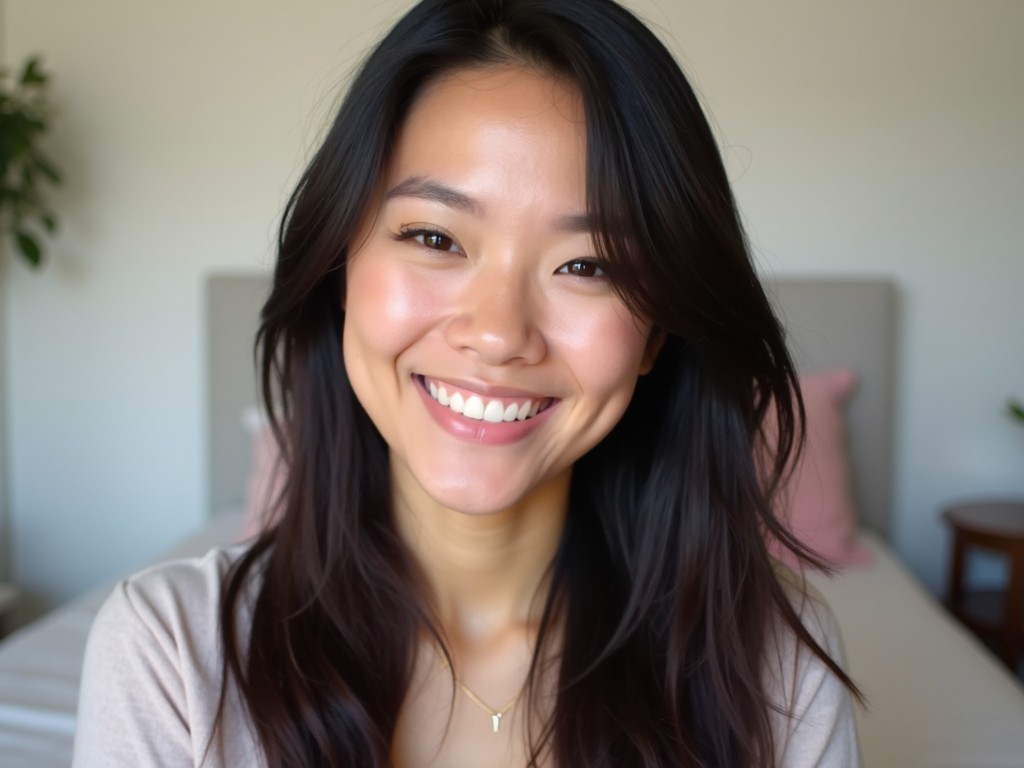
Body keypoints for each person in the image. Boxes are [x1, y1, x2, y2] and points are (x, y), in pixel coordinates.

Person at [74, 0, 861, 765]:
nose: (496, 333)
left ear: (656, 331)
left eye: (586, 265)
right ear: (342, 269)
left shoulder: (773, 667)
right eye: (435, 237)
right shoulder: (169, 654)